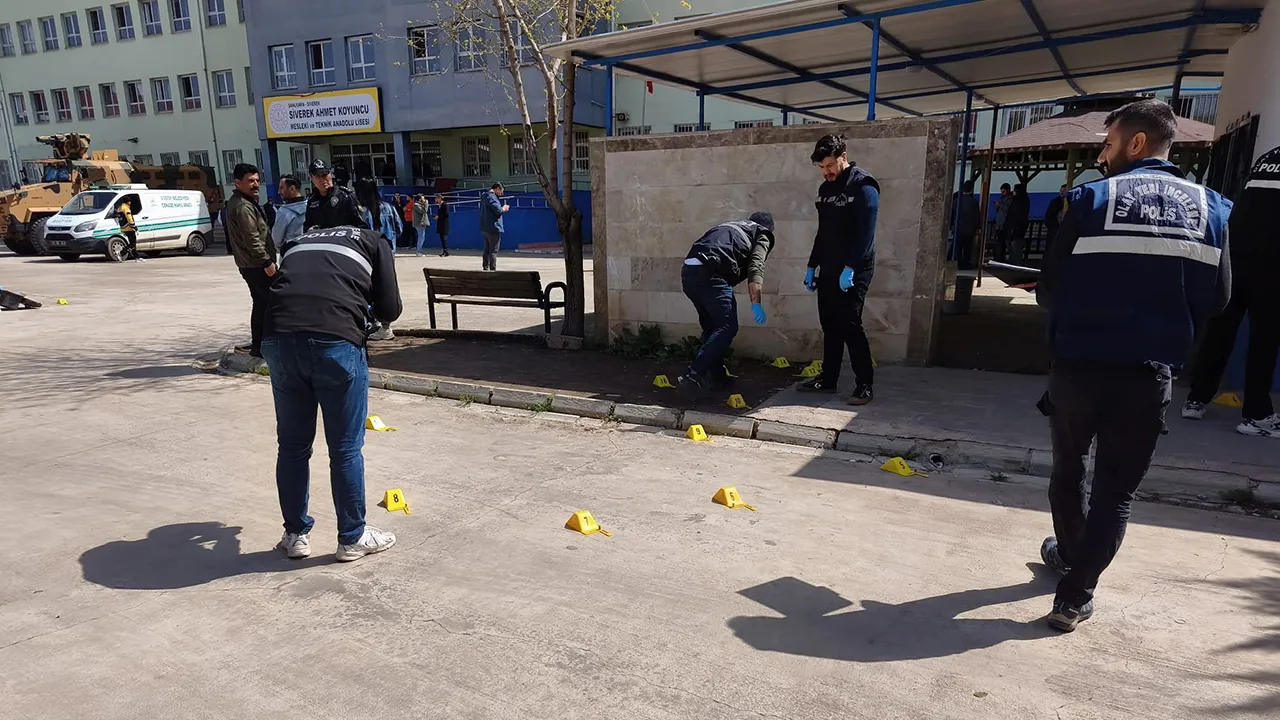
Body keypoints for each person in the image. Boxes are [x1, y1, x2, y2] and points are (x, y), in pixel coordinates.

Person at [1035, 99, 1232, 632]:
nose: (1103, 155)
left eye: (1108, 143)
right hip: (1148, 374)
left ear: (1136, 142)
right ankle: (1076, 593)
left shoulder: (1091, 199)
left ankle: (1074, 555)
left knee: (1069, 470)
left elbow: (1049, 289)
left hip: (1078, 368)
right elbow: (1218, 298)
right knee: (1115, 492)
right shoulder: (1213, 208)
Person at [261, 222, 403, 562]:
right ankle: (352, 536)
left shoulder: (297, 241)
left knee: (293, 446)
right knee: (345, 448)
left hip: (278, 339)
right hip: (335, 339)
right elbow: (390, 309)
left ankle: (295, 534)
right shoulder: (374, 240)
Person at [1182, 144, 1280, 437]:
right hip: (1273, 264)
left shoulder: (1268, 156)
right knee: (1265, 340)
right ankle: (1256, 415)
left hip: (1235, 255)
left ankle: (1196, 399)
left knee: (1221, 331)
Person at [797, 134, 881, 406]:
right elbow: (823, 233)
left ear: (844, 156)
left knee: (850, 326)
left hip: (855, 270)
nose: (827, 172)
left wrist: (851, 269)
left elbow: (865, 235)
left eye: (830, 165)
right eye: (821, 167)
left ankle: (864, 384)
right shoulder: (826, 190)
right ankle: (828, 378)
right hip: (830, 268)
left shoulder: (864, 186)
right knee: (830, 325)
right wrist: (812, 265)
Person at [676, 212, 776, 394]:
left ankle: (716, 375)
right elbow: (756, 265)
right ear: (769, 228)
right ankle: (695, 372)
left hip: (689, 273)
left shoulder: (731, 226)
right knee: (727, 326)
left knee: (712, 327)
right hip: (712, 274)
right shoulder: (762, 233)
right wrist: (756, 303)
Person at [225, 163, 277, 359]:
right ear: (238, 183)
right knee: (266, 305)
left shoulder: (246, 201)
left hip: (251, 264)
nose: (255, 184)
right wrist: (267, 263)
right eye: (250, 181)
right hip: (256, 265)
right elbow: (252, 239)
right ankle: (261, 346)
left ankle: (260, 345)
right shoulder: (242, 206)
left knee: (262, 304)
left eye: (257, 180)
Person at [305, 159, 368, 231]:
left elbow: (363, 227)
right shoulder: (312, 201)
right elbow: (307, 227)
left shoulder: (345, 197)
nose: (323, 180)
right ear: (311, 178)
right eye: (318, 176)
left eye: (325, 175)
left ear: (331, 174)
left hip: (343, 241)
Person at [271, 175, 307, 251]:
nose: (278, 192)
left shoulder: (284, 212)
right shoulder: (310, 206)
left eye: (281, 188)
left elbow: (276, 240)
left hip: (291, 254)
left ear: (292, 189)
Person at [480, 182, 510, 271]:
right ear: (497, 189)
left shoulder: (484, 196)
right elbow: (498, 210)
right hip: (494, 227)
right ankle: (493, 269)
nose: (501, 194)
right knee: (493, 250)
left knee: (487, 249)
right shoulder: (492, 197)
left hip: (485, 227)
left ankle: (485, 267)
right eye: (501, 192)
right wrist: (504, 208)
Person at [952, 180, 981, 269]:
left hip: (958, 228)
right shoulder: (974, 202)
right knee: (967, 248)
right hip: (969, 230)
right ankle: (965, 264)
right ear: (971, 190)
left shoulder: (957, 201)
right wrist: (978, 227)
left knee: (957, 247)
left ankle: (956, 262)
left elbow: (952, 214)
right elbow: (976, 216)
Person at [1007, 183, 1031, 263]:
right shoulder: (1019, 200)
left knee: (1015, 246)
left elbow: (1018, 215)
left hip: (1017, 227)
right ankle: (1014, 263)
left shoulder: (1019, 202)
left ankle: (1016, 264)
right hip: (1014, 226)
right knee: (1012, 246)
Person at [114, 195, 140, 262]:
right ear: (127, 202)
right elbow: (129, 218)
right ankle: (122, 252)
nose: (130, 203)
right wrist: (133, 226)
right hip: (129, 227)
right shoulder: (126, 208)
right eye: (129, 201)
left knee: (132, 243)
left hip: (124, 228)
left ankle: (137, 257)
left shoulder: (120, 208)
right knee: (132, 244)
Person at [1044, 184, 1068, 250]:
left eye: (1064, 191)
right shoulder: (1055, 202)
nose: (1061, 192)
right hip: (1054, 231)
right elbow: (1048, 217)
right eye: (1061, 191)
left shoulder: (1056, 202)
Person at [993, 183, 1013, 262]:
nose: (1002, 193)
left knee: (1004, 243)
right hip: (1000, 225)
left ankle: (1002, 259)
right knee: (1000, 243)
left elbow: (1007, 211)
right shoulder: (1003, 199)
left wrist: (999, 206)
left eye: (1003, 192)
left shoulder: (1010, 200)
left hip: (1005, 225)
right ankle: (1000, 258)